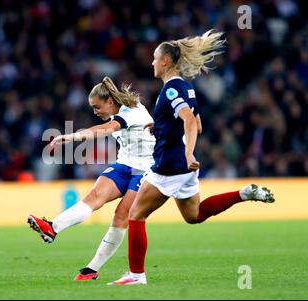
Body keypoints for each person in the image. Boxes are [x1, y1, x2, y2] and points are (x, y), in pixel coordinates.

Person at [108, 30, 275, 285]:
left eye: (155, 58)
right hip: (185, 167)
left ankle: (136, 275)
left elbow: (187, 120)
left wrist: (186, 152)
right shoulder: (187, 87)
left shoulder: (172, 89)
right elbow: (197, 126)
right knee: (194, 215)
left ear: (165, 61)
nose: (152, 62)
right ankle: (243, 193)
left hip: (170, 165)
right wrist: (161, 128)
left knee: (135, 214)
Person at [27, 76, 156, 281]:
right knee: (94, 196)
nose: (95, 112)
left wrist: (69, 137)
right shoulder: (120, 112)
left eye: (97, 107)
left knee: (121, 214)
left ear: (110, 102)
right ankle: (52, 227)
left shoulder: (130, 112)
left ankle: (92, 268)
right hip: (124, 164)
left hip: (147, 169)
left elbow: (104, 130)